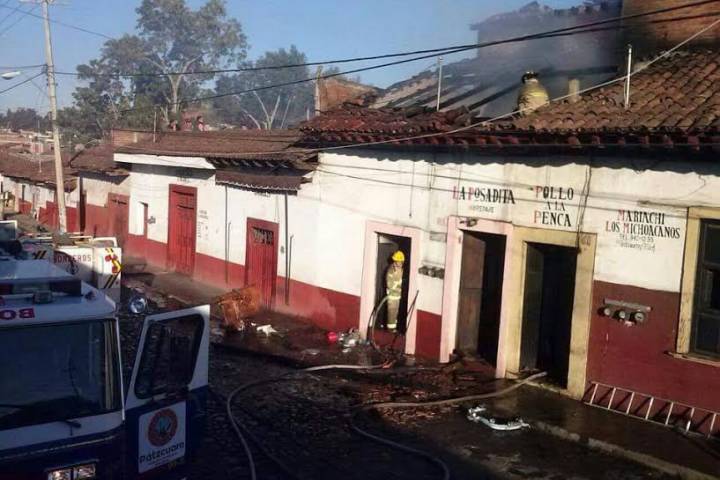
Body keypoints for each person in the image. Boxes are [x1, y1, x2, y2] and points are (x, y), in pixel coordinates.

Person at [385, 250, 405, 332]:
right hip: (392, 296)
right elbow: (390, 285)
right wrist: (397, 282)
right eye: (399, 262)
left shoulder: (400, 269)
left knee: (395, 314)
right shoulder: (391, 270)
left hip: (398, 295)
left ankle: (394, 329)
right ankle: (390, 331)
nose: (400, 263)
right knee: (392, 314)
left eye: (401, 262)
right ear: (395, 261)